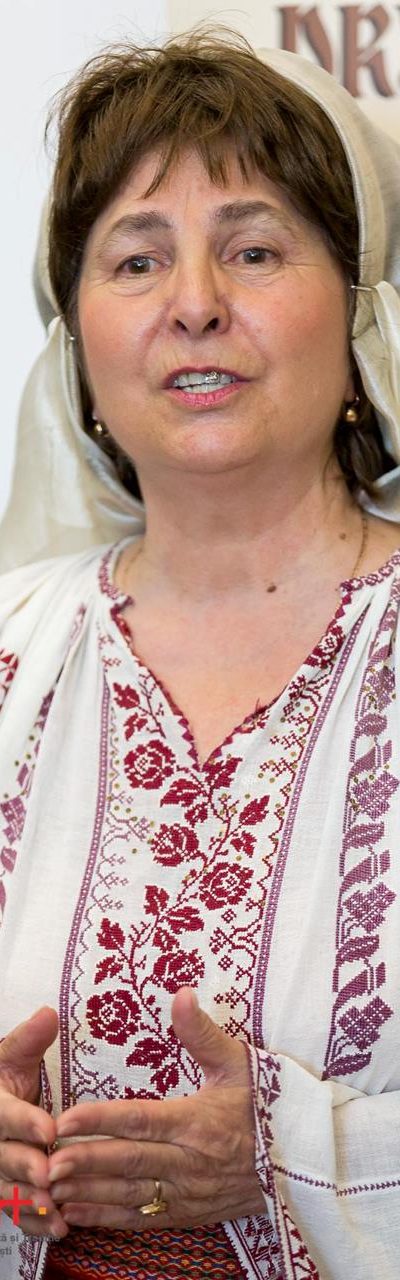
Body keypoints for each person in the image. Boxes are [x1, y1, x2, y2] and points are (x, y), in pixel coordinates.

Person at [1, 29, 400, 1280]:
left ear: (360, 309)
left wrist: (293, 1156)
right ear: (78, 346)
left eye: (254, 249)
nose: (193, 304)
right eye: (136, 258)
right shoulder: (11, 653)